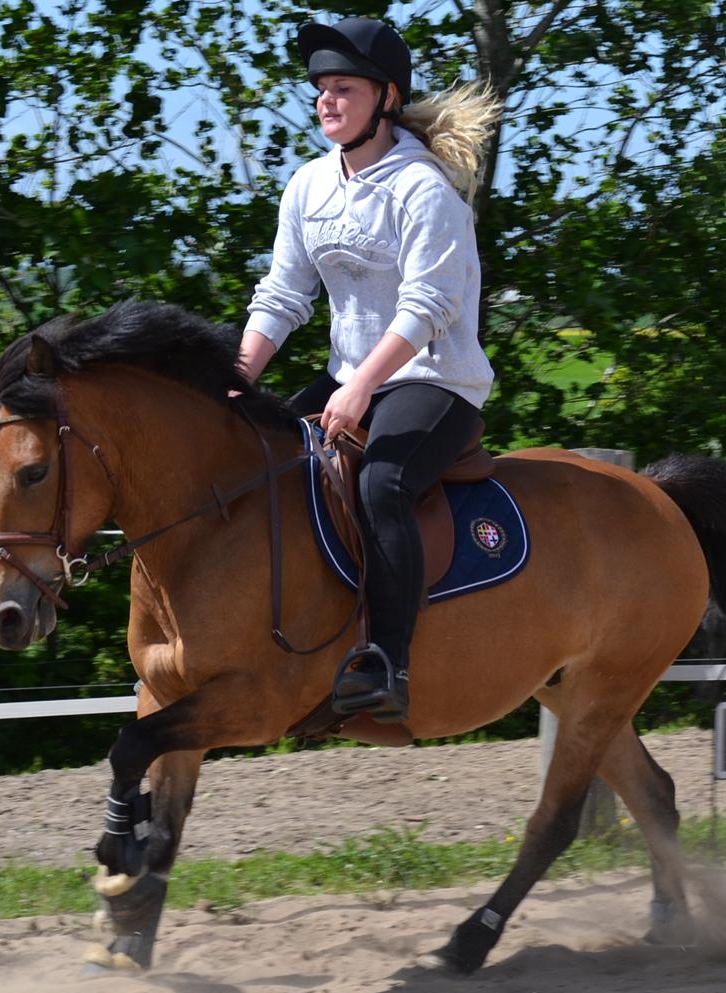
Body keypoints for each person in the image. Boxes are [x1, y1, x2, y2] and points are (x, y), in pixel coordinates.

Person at [237, 16, 500, 723]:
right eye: (321, 88)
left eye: (344, 88)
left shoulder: (424, 190)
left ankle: (387, 663)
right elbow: (282, 296)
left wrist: (359, 385)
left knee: (383, 483)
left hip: (435, 380)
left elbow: (428, 307)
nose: (326, 100)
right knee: (255, 460)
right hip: (350, 376)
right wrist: (238, 377)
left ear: (387, 97)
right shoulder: (308, 186)